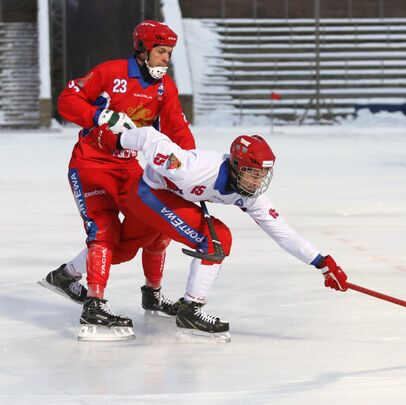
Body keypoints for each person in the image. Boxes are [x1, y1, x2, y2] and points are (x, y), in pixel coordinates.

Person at [82, 124, 349, 342]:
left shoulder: (252, 195)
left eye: (262, 175)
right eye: (251, 174)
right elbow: (150, 137)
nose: (256, 182)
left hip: (164, 199)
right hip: (147, 194)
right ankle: (191, 308)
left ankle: (65, 274)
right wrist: (116, 140)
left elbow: (280, 230)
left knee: (120, 251)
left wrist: (322, 263)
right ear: (235, 166)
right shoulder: (192, 168)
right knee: (216, 238)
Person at [38, 20, 196, 339]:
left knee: (157, 221)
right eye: (161, 52)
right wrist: (98, 116)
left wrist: (191, 165)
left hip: (130, 168)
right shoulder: (110, 73)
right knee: (105, 228)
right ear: (142, 50)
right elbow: (68, 100)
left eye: (169, 53)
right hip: (91, 164)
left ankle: (151, 293)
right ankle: (95, 303)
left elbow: (177, 128)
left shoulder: (165, 87)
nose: (166, 60)